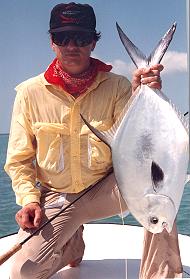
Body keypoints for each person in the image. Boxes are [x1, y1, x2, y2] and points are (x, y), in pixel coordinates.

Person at [4, 3, 183, 279]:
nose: (71, 45)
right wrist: (29, 200)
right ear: (52, 42)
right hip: (58, 197)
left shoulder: (117, 87)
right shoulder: (29, 94)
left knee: (160, 200)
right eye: (63, 37)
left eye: (81, 37)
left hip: (109, 188)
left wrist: (140, 92)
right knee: (23, 272)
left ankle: (162, 276)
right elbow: (19, 160)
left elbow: (141, 143)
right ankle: (71, 244)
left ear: (93, 41)